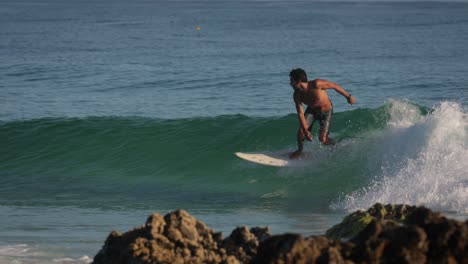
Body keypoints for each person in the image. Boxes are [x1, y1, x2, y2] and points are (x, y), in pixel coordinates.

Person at [289, 68, 356, 159]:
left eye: (291, 81)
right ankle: (300, 151)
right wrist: (305, 130)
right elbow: (300, 113)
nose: (290, 83)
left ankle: (335, 145)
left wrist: (348, 97)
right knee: (301, 132)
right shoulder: (297, 95)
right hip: (312, 111)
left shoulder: (317, 84)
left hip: (326, 111)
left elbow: (334, 86)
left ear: (299, 81)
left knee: (323, 139)